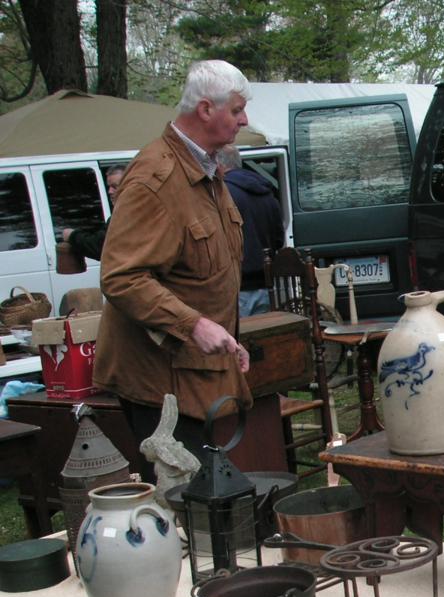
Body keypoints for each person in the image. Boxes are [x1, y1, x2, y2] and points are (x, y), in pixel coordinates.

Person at [95, 59, 252, 459]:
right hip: (159, 384)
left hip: (195, 375)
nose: (244, 120)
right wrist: (195, 325)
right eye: (237, 110)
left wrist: (227, 338)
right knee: (182, 492)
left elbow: (203, 275)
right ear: (206, 109)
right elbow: (122, 278)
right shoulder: (155, 179)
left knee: (211, 489)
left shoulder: (206, 173)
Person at [215, 143, 284, 317]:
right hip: (267, 284)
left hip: (238, 284)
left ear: (219, 163)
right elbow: (278, 239)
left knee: (240, 334)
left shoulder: (223, 194)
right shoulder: (267, 193)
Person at [60, 165, 126, 261]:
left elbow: (100, 247)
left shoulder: (129, 215)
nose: (110, 191)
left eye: (115, 187)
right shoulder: (126, 212)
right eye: (109, 187)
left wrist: (72, 236)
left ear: (129, 187)